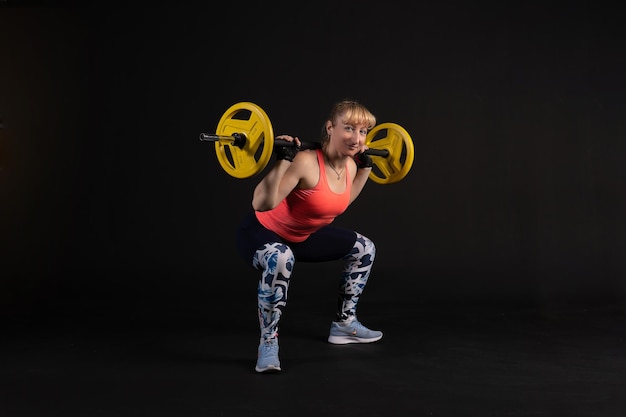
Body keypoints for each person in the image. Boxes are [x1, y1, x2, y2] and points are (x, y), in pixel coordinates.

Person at [236, 99, 383, 373]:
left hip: (302, 237)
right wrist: (283, 160)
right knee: (281, 257)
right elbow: (261, 203)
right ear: (330, 128)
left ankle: (344, 324)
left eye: (363, 131)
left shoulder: (350, 165)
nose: (356, 138)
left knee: (364, 248)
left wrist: (365, 169)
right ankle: (268, 342)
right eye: (349, 128)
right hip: (261, 233)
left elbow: (340, 202)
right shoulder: (305, 161)